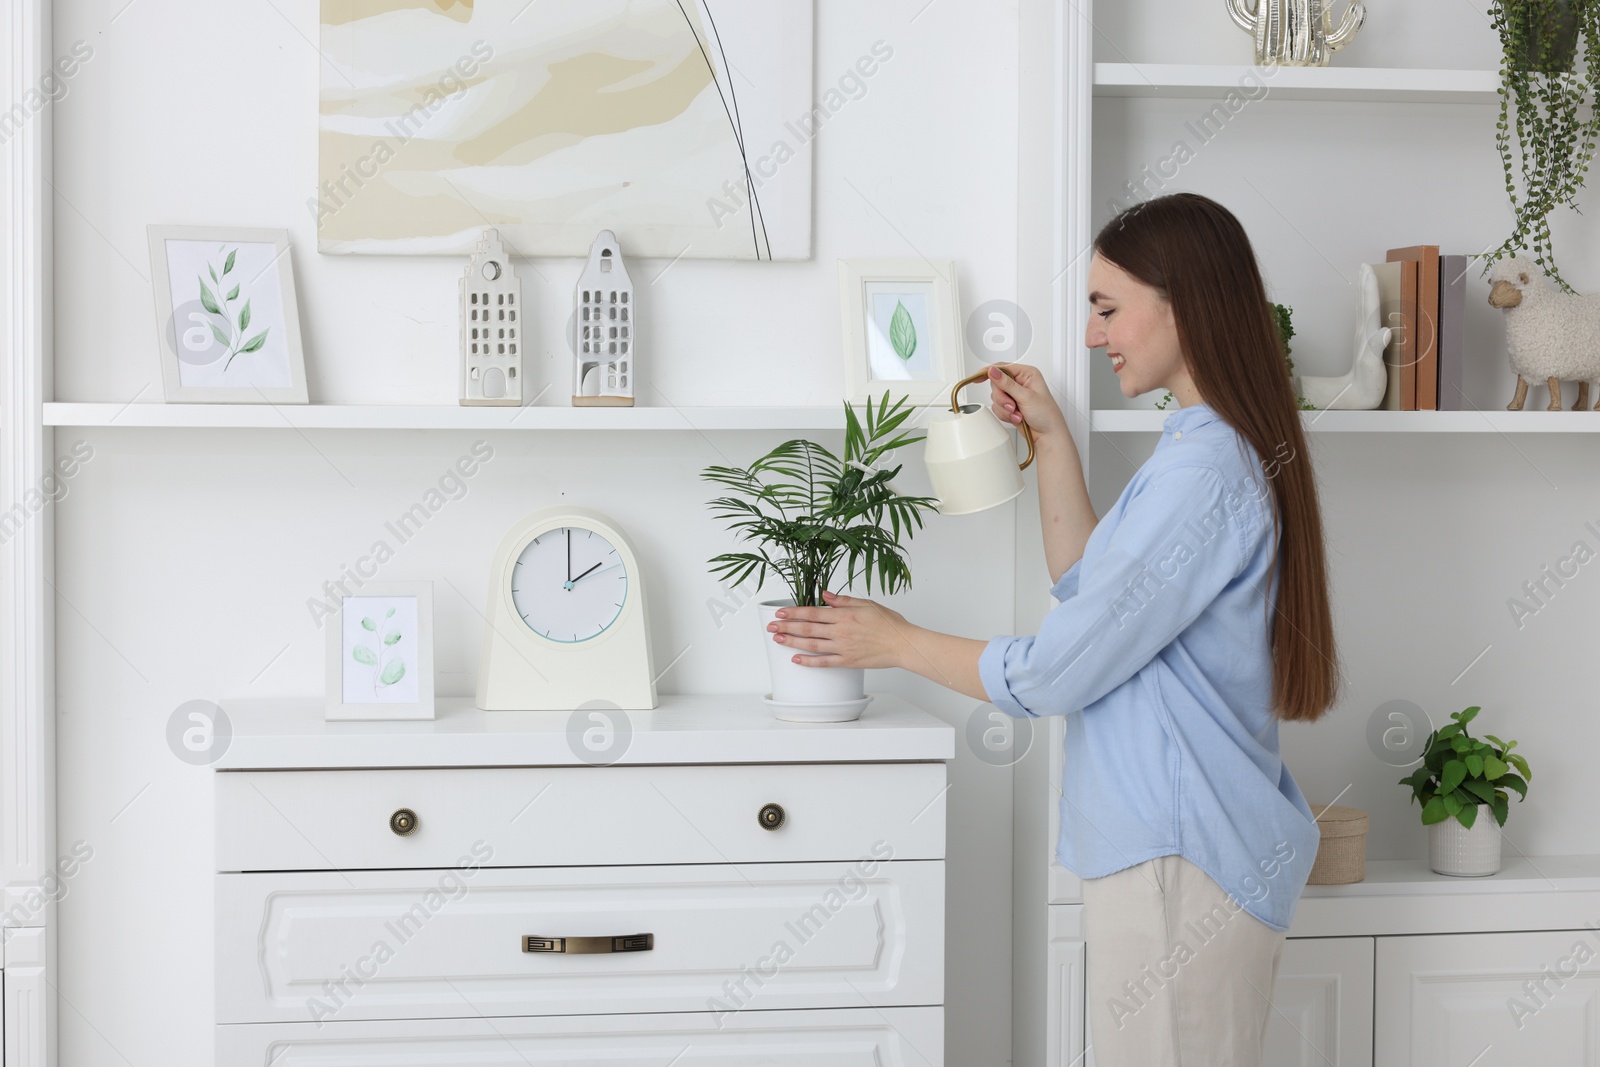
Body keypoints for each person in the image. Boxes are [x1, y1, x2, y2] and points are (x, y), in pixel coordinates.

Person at [766, 191, 1339, 1066]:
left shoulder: (1202, 469)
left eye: (1107, 308)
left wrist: (897, 642)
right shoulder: (1203, 448)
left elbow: (1059, 670)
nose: (1090, 334)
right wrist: (1053, 439)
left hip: (1178, 864)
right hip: (1178, 857)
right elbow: (1090, 586)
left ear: (1181, 302)